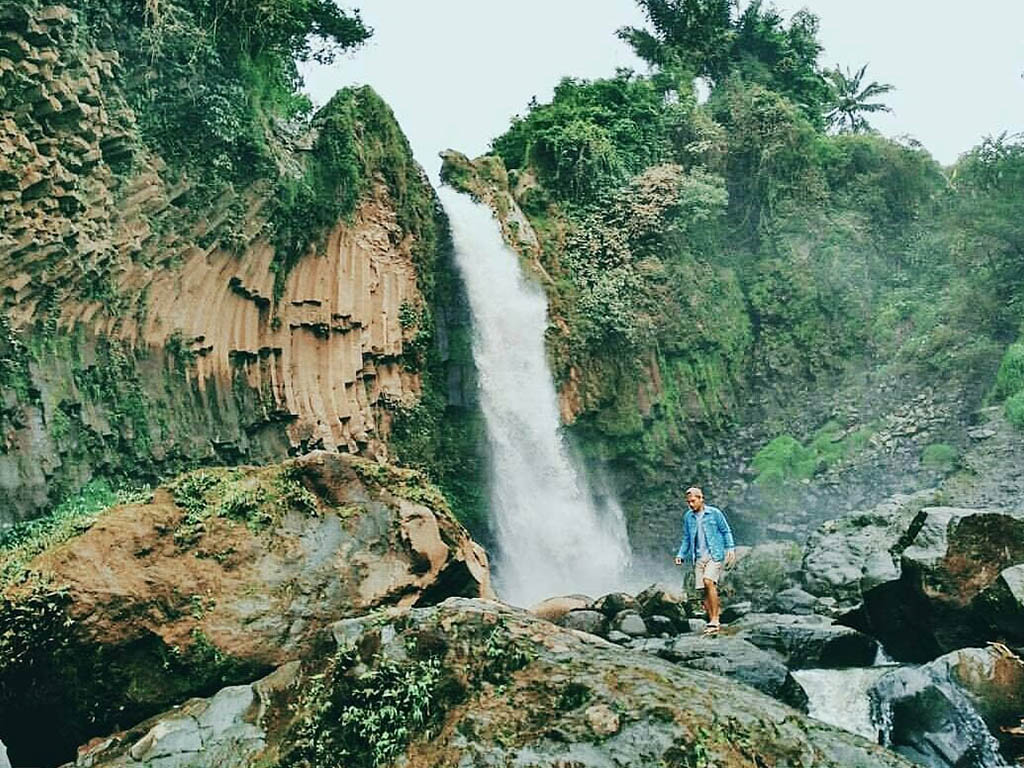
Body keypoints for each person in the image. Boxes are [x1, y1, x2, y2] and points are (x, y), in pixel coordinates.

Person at [674, 486, 736, 635]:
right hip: (699, 557)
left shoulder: (714, 513)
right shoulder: (688, 517)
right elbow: (687, 538)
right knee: (702, 591)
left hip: (715, 555)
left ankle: (715, 619)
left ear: (701, 499)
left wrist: (731, 549)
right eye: (688, 502)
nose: (690, 504)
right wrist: (681, 554)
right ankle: (711, 620)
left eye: (693, 501)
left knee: (709, 581)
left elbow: (726, 531)